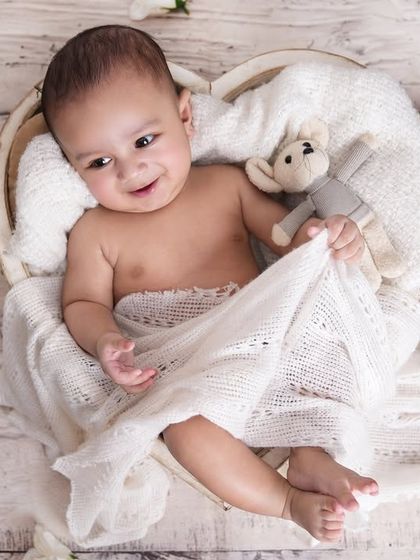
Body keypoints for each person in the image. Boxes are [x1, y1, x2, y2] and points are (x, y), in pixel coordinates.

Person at [41, 24, 378, 542]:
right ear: (73, 168)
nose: (132, 169)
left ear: (184, 116)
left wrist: (324, 235)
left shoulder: (225, 185)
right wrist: (105, 340)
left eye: (144, 140)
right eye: (100, 162)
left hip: (264, 335)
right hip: (188, 366)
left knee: (320, 350)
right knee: (181, 428)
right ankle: (284, 499)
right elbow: (82, 302)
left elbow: (288, 238)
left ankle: (311, 457)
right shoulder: (95, 232)